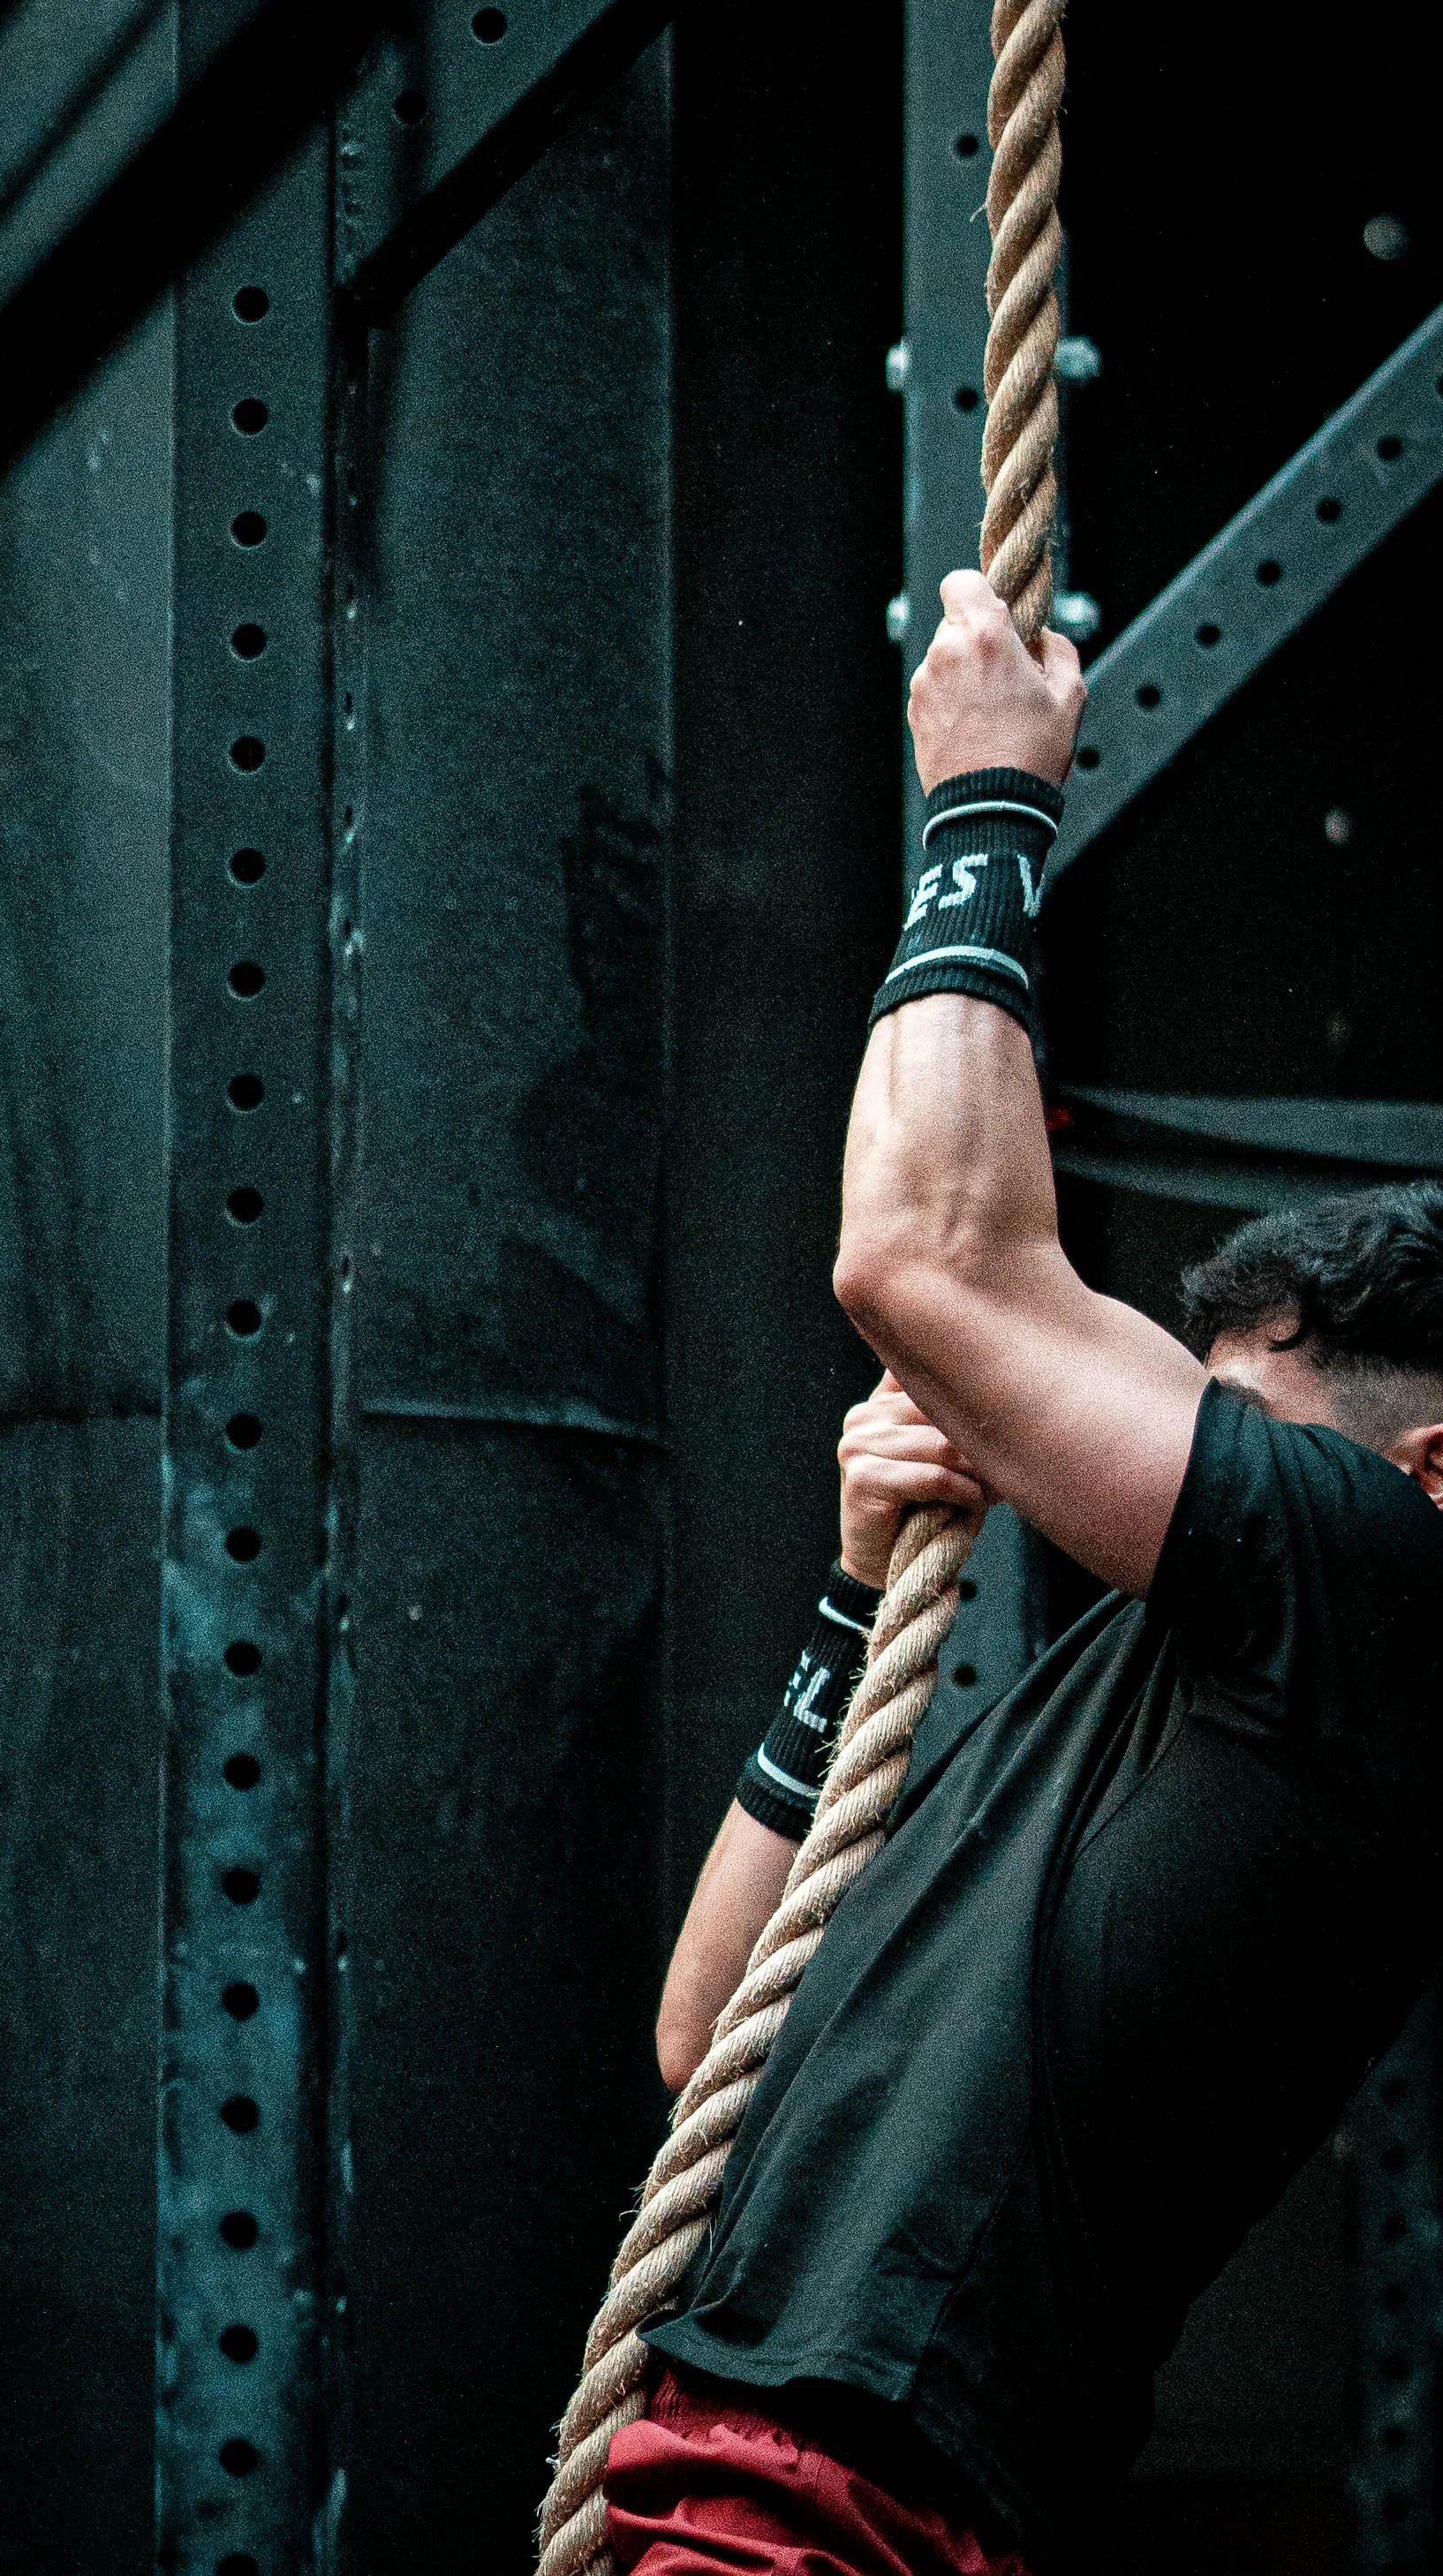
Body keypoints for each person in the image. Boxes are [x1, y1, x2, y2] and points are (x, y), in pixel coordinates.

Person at [602, 571, 1443, 2576]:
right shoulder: (1162, 1694)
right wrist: (845, 1601)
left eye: (1231, 1434)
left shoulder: (1388, 1607)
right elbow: (705, 2037)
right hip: (741, 2475)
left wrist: (985, 809)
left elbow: (928, 1263)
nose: (1137, 1455)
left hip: (862, 2516)